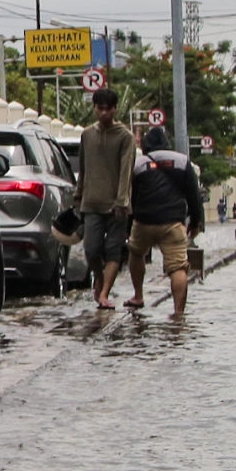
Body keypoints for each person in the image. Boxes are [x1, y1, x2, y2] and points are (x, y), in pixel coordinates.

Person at [127, 142, 205, 317]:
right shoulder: (183, 161)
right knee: (177, 267)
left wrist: (130, 222)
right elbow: (194, 195)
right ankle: (178, 313)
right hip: (173, 222)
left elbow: (133, 195)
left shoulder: (139, 163)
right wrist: (196, 221)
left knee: (136, 253)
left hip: (144, 221)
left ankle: (138, 296)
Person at [77, 89, 137, 314]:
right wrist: (79, 195)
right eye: (99, 108)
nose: (102, 113)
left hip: (116, 206)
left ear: (114, 109)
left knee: (113, 251)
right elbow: (83, 168)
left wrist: (121, 201)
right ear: (94, 108)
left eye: (107, 109)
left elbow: (126, 171)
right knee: (91, 249)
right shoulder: (87, 135)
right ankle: (99, 279)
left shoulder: (125, 136)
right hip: (91, 203)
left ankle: (104, 294)